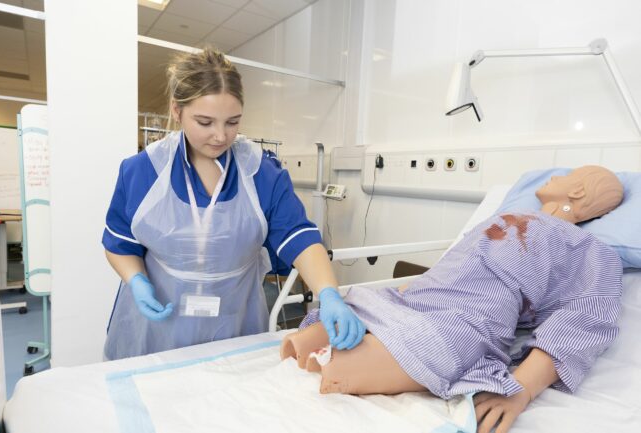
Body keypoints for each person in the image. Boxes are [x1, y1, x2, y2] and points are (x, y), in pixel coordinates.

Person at [281, 165, 624, 433]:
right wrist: (404, 293)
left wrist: (522, 389)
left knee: (442, 342)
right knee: (367, 303)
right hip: (427, 293)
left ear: (577, 189)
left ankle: (339, 363)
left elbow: (582, 320)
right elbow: (455, 263)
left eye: (567, 176)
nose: (556, 177)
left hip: (473, 312)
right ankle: (331, 345)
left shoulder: (593, 252)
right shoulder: (504, 218)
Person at [102, 47, 365, 360]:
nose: (220, 136)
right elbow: (119, 242)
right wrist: (136, 280)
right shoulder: (142, 171)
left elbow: (298, 236)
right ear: (177, 111)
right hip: (157, 322)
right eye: (205, 122)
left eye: (232, 122)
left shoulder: (260, 171)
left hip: (234, 319)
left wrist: (329, 293)